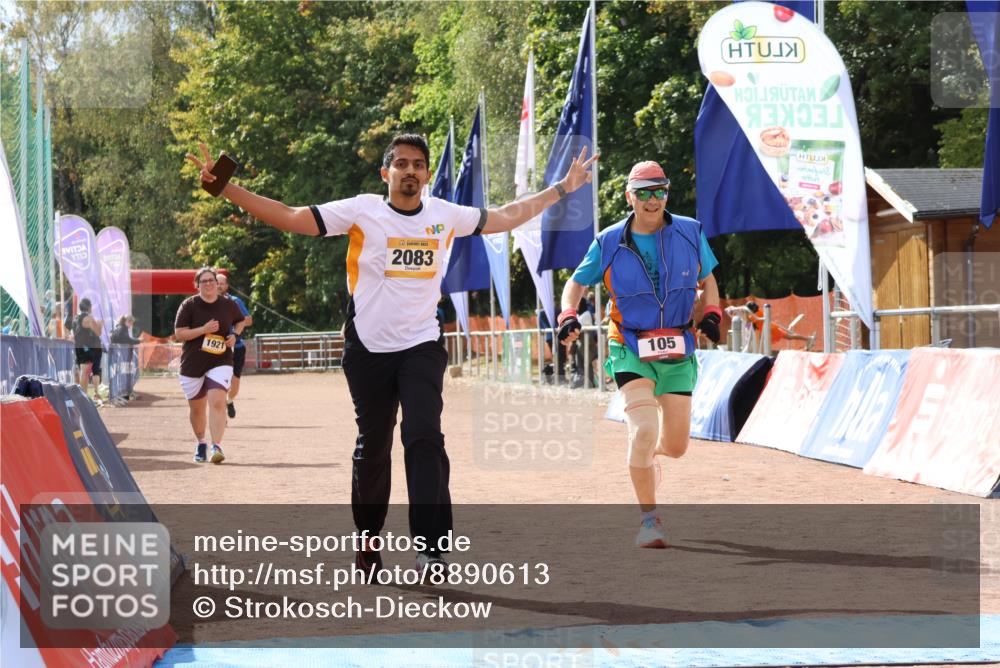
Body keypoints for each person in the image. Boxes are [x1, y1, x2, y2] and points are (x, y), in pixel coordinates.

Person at [187, 135, 596, 577]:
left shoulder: (444, 214)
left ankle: (431, 549)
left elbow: (505, 215)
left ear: (426, 175)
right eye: (400, 163)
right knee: (374, 446)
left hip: (421, 343)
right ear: (386, 174)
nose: (410, 171)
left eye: (418, 164)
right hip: (367, 348)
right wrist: (226, 188)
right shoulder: (363, 211)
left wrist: (562, 188)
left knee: (425, 438)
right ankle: (368, 539)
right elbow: (289, 216)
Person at [559, 160, 722, 549]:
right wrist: (567, 315)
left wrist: (713, 314)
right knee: (645, 429)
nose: (653, 200)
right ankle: (650, 520)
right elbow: (575, 284)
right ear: (630, 196)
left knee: (677, 446)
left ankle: (646, 456)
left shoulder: (690, 232)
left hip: (678, 348)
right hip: (629, 345)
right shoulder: (609, 241)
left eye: (660, 191)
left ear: (667, 193)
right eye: (644, 192)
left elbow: (709, 280)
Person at [173, 267, 247, 464]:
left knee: (217, 401)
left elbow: (241, 321)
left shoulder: (228, 305)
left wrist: (235, 335)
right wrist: (203, 330)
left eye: (211, 280)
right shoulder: (188, 305)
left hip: (220, 359)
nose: (208, 284)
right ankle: (201, 442)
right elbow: (180, 333)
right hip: (192, 363)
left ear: (217, 283)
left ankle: (217, 446)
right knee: (197, 409)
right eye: (204, 281)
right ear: (197, 285)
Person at [216, 272, 253, 417]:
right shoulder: (208, 302)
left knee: (235, 383)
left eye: (222, 283)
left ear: (227, 285)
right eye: (217, 283)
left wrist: (235, 320)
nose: (219, 286)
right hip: (217, 348)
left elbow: (249, 320)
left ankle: (229, 401)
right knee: (218, 380)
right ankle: (219, 411)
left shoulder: (235, 301)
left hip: (236, 347)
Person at [742, 300, 815, 350]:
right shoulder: (758, 312)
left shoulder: (756, 315)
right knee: (789, 336)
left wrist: (744, 314)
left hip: (771, 330)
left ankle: (808, 339)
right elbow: (749, 324)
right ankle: (808, 339)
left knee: (789, 336)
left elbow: (748, 322)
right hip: (770, 329)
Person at [72, 298, 105, 402]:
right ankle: (83, 397)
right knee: (84, 372)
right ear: (89, 307)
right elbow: (98, 332)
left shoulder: (76, 318)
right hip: (86, 347)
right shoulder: (89, 318)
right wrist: (100, 324)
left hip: (78, 346)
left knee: (81, 371)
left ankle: (81, 396)